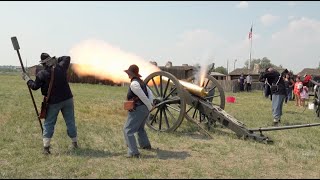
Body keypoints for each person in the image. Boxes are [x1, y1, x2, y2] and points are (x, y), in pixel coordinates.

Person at [22, 53, 78, 155]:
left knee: (48, 124)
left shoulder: (42, 74)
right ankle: (75, 143)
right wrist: (56, 59)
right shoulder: (61, 67)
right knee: (70, 121)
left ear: (43, 63)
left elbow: (34, 87)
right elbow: (67, 57)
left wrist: (27, 79)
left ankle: (46, 149)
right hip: (67, 99)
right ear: (50, 61)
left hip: (53, 102)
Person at [123, 64, 154, 158]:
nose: (128, 75)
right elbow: (150, 94)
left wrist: (149, 106)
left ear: (132, 74)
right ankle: (145, 145)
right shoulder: (141, 82)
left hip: (138, 109)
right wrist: (150, 105)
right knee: (140, 128)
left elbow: (143, 96)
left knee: (127, 130)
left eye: (129, 73)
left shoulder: (134, 84)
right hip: (144, 109)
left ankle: (133, 152)